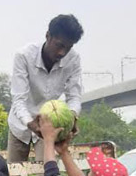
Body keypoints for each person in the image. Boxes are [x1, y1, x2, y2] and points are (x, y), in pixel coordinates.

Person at [7, 14, 84, 162]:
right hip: (20, 123)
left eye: (68, 48)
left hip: (49, 125)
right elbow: (18, 99)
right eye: (59, 45)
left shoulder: (73, 60)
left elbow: (74, 96)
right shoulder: (24, 56)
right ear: (48, 36)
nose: (62, 53)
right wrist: (31, 124)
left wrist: (72, 117)